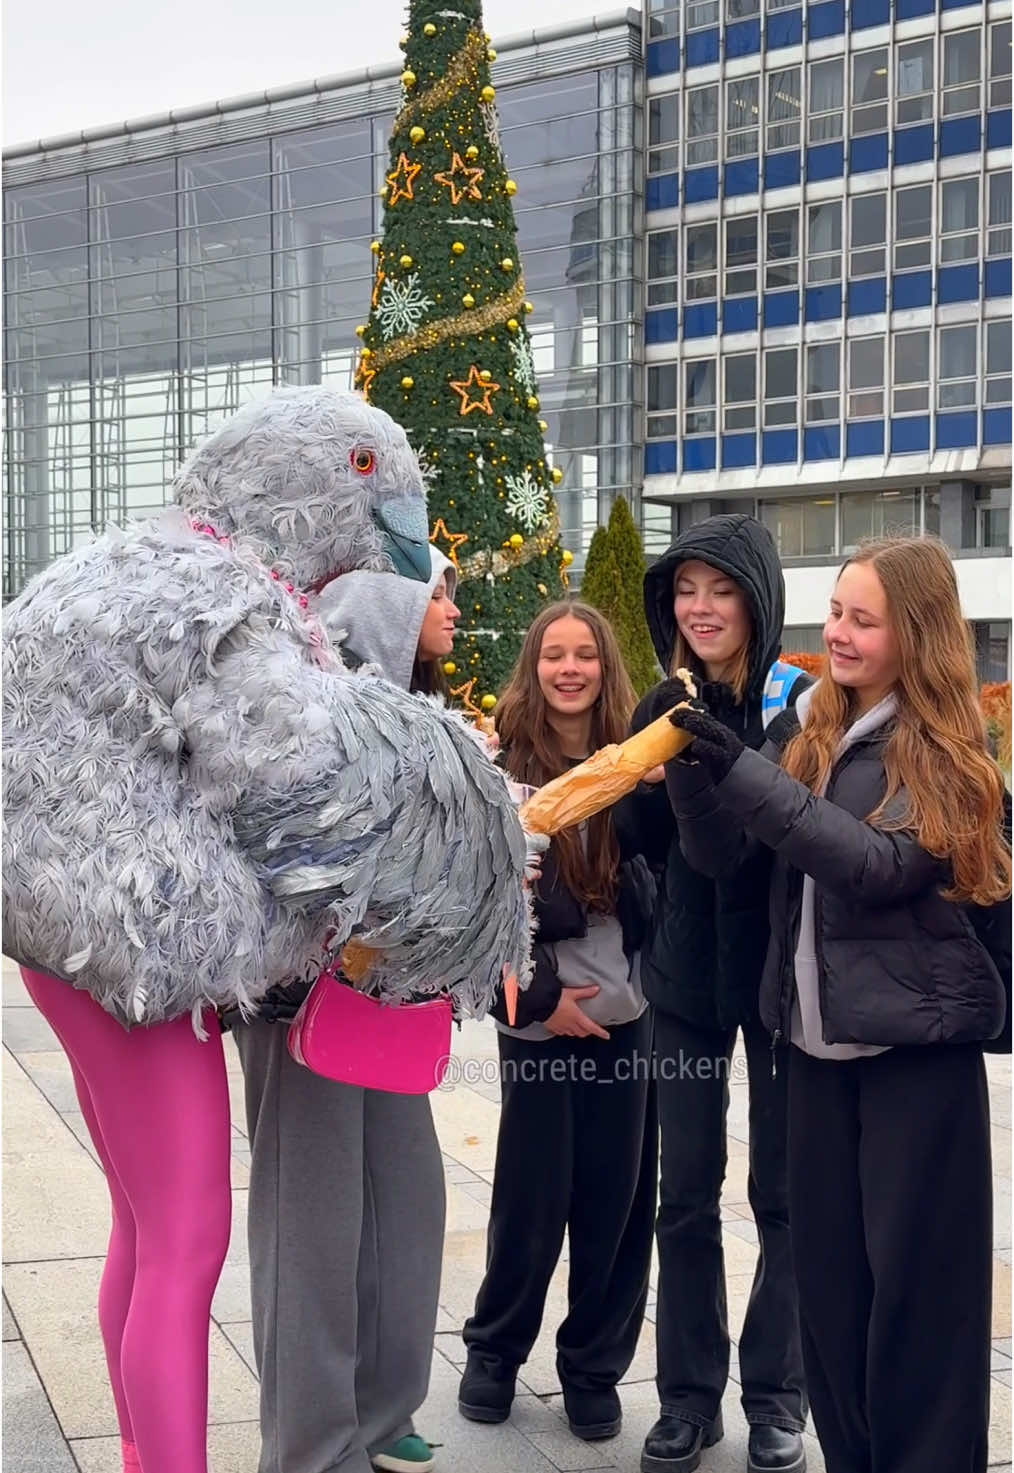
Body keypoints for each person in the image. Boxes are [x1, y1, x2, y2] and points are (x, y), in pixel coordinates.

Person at [666, 535, 1010, 1473]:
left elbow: (873, 863)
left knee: (920, 1311)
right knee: (833, 1301)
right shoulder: (812, 725)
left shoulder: (943, 749)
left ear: (918, 633)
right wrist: (694, 769)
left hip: (915, 1064)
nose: (841, 633)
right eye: (837, 614)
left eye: (864, 618)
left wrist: (738, 766)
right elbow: (723, 857)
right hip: (815, 1058)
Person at [232, 546, 463, 1473]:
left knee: (406, 1198)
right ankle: (312, 1444)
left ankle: (381, 1411)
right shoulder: (309, 721)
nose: (451, 605)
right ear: (383, 608)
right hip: (304, 1002)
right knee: (311, 1223)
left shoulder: (421, 718)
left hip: (393, 995)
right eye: (435, 590)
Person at [619, 514, 810, 1473]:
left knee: (783, 1193)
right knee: (684, 1194)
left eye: (719, 589)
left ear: (757, 599)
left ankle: (779, 1395)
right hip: (687, 981)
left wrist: (688, 772)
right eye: (685, 590)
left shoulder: (798, 710)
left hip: (784, 987)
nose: (699, 607)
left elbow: (737, 849)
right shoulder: (659, 702)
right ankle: (687, 1400)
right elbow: (641, 843)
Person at [457, 599, 658, 1443]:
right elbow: (482, 896)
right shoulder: (501, 763)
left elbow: (671, 883)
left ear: (606, 667)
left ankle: (593, 1366)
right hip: (535, 1013)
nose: (569, 669)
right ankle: (495, 1350)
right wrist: (543, 1003)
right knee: (532, 1197)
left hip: (627, 1013)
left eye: (585, 655)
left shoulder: (641, 765)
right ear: (533, 667)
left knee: (617, 1199)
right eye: (553, 655)